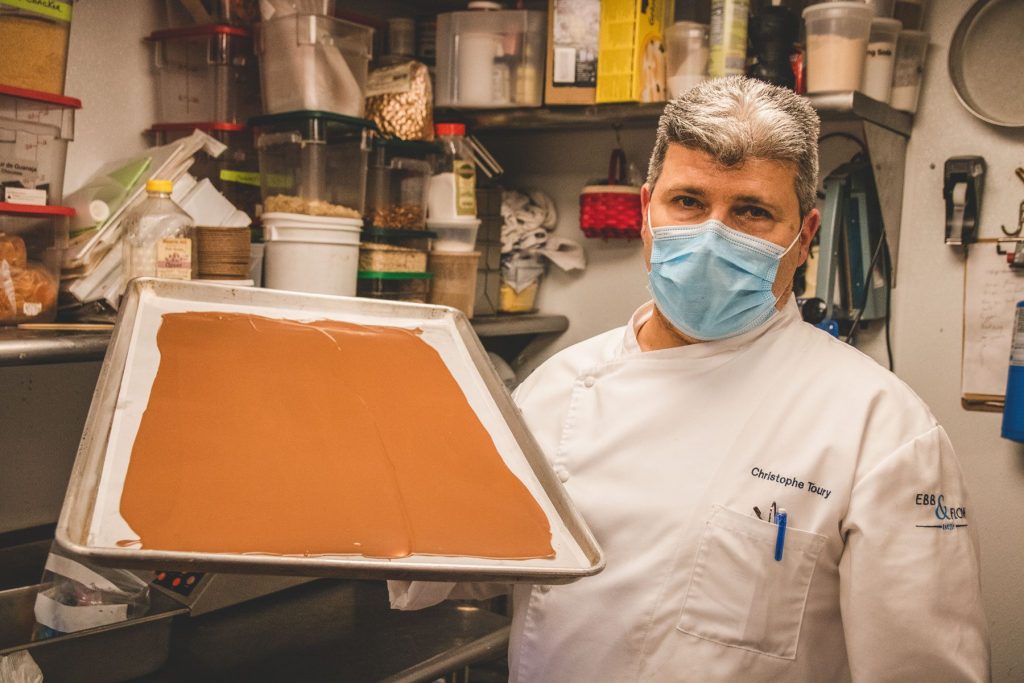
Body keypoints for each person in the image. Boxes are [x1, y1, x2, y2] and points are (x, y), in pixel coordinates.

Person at [389, 76, 990, 681]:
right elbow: (453, 563)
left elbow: (924, 669)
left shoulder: (882, 428)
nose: (711, 235)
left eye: (751, 211)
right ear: (647, 211)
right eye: (689, 202)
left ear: (803, 238)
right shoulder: (558, 387)